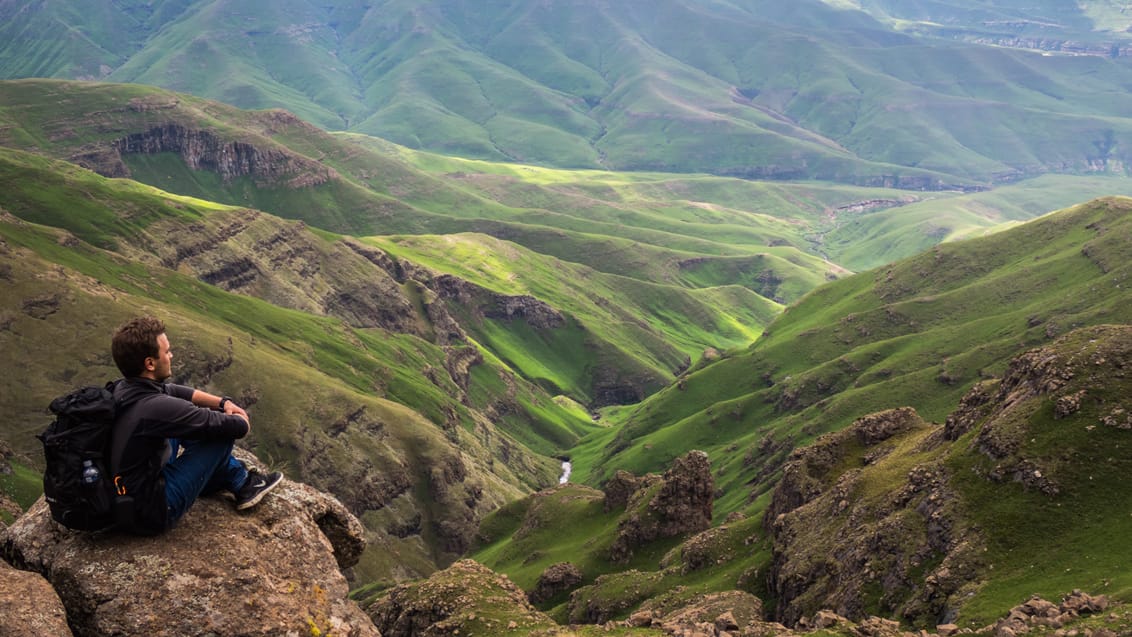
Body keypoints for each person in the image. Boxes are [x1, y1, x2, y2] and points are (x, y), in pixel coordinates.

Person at [109, 316, 282, 534]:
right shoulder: (156, 408)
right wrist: (239, 418)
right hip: (153, 512)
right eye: (167, 351)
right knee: (219, 435)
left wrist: (223, 402)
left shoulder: (124, 388)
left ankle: (240, 481)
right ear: (150, 363)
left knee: (186, 426)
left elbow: (175, 391)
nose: (171, 355)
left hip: (127, 496)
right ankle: (241, 481)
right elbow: (232, 428)